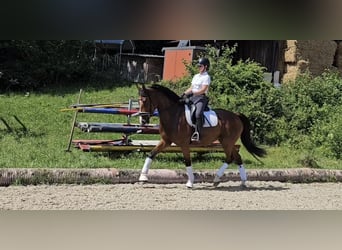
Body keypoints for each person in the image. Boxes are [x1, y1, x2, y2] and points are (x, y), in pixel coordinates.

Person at [181, 57, 211, 142]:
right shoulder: (196, 76)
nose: (198, 68)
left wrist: (194, 93)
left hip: (201, 97)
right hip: (192, 96)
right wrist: (184, 93)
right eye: (198, 66)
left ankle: (198, 133)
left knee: (198, 114)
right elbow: (191, 87)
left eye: (200, 66)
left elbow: (203, 89)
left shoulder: (207, 77)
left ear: (205, 67)